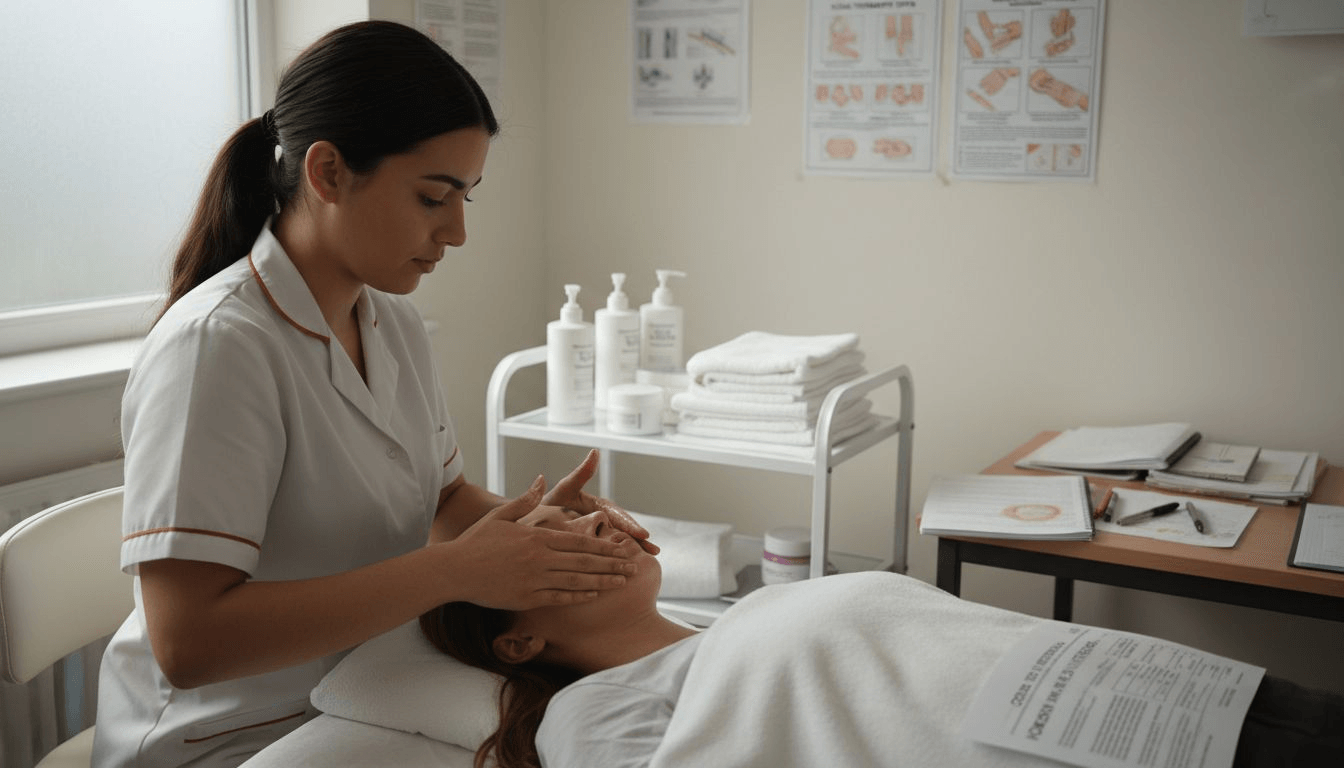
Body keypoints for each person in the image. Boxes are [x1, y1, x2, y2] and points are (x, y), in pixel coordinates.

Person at [93, 21, 654, 768]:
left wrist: (544, 536)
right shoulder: (218, 347)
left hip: (367, 690)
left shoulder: (392, 322)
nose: (455, 232)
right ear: (327, 173)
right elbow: (188, 644)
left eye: (466, 200)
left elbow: (445, 503)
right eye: (432, 197)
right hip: (231, 737)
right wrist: (458, 571)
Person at [423, 507, 1344, 768]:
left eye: (582, 519)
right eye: (550, 548)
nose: (595, 528)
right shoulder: (588, 712)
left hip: (1160, 693)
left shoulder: (735, 622)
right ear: (517, 644)